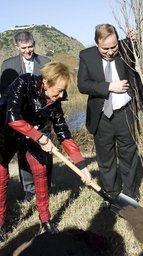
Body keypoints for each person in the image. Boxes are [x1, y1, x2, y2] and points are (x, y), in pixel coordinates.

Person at [0, 62, 92, 241]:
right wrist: (40, 137)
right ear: (46, 82)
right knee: (1, 178)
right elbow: (12, 117)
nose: (61, 95)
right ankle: (1, 223)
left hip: (31, 135)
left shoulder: (55, 101)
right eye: (58, 90)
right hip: (5, 134)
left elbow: (63, 132)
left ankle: (45, 218)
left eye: (64, 91)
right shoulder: (24, 83)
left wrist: (82, 166)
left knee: (41, 171)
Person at [77, 24, 143, 210]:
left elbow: (136, 55)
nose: (110, 52)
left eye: (113, 47)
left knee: (128, 157)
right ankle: (111, 195)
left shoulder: (125, 48)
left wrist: (135, 41)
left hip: (126, 113)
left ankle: (130, 196)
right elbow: (83, 85)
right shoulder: (86, 56)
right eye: (105, 48)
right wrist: (109, 87)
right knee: (106, 160)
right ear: (96, 44)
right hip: (102, 118)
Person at [0, 30, 52, 202]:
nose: (28, 51)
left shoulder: (45, 62)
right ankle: (29, 191)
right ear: (17, 46)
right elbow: (4, 94)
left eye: (30, 47)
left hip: (42, 118)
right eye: (24, 48)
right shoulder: (7, 65)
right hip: (20, 120)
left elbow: (51, 91)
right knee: (23, 155)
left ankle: (46, 188)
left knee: (45, 154)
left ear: (34, 44)